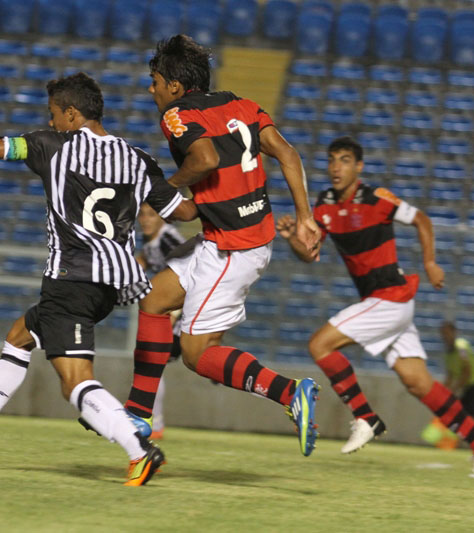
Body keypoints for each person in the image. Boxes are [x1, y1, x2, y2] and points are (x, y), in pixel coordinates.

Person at [0, 72, 198, 486]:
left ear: (72, 114)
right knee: (20, 335)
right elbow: (185, 213)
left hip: (70, 281)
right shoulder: (138, 159)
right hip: (111, 286)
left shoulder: (52, 146)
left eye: (54, 115)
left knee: (74, 383)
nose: (51, 123)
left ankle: (139, 450)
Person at [122, 34, 323, 457]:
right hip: (225, 238)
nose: (151, 89)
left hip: (234, 248)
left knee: (197, 355)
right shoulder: (242, 105)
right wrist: (306, 216)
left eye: (154, 80)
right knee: (154, 300)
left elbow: (206, 160)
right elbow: (287, 154)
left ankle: (290, 393)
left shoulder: (176, 116)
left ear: (175, 86)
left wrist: (159, 191)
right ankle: (138, 414)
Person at [276, 136, 474, 476]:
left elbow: (422, 220)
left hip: (391, 297)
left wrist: (429, 263)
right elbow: (309, 254)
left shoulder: (378, 198)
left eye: (344, 160)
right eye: (332, 160)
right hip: (381, 302)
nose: (336, 167)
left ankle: (365, 417)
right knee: (418, 382)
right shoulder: (322, 205)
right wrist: (295, 238)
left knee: (319, 345)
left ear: (359, 166)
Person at [135, 202, 186, 439]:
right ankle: (155, 426)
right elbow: (142, 261)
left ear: (164, 218)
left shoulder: (169, 241)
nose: (145, 219)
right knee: (155, 361)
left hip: (184, 312)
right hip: (174, 312)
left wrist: (172, 314)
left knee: (152, 361)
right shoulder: (153, 240)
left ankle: (154, 425)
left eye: (151, 215)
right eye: (142, 214)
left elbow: (189, 274)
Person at [441, 321, 474, 422]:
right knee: (461, 417)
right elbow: (450, 376)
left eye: (447, 333)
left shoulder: (462, 347)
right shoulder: (448, 355)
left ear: (454, 332)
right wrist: (442, 393)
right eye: (443, 334)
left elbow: (467, 371)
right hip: (467, 388)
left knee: (472, 419)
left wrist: (454, 389)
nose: (445, 336)